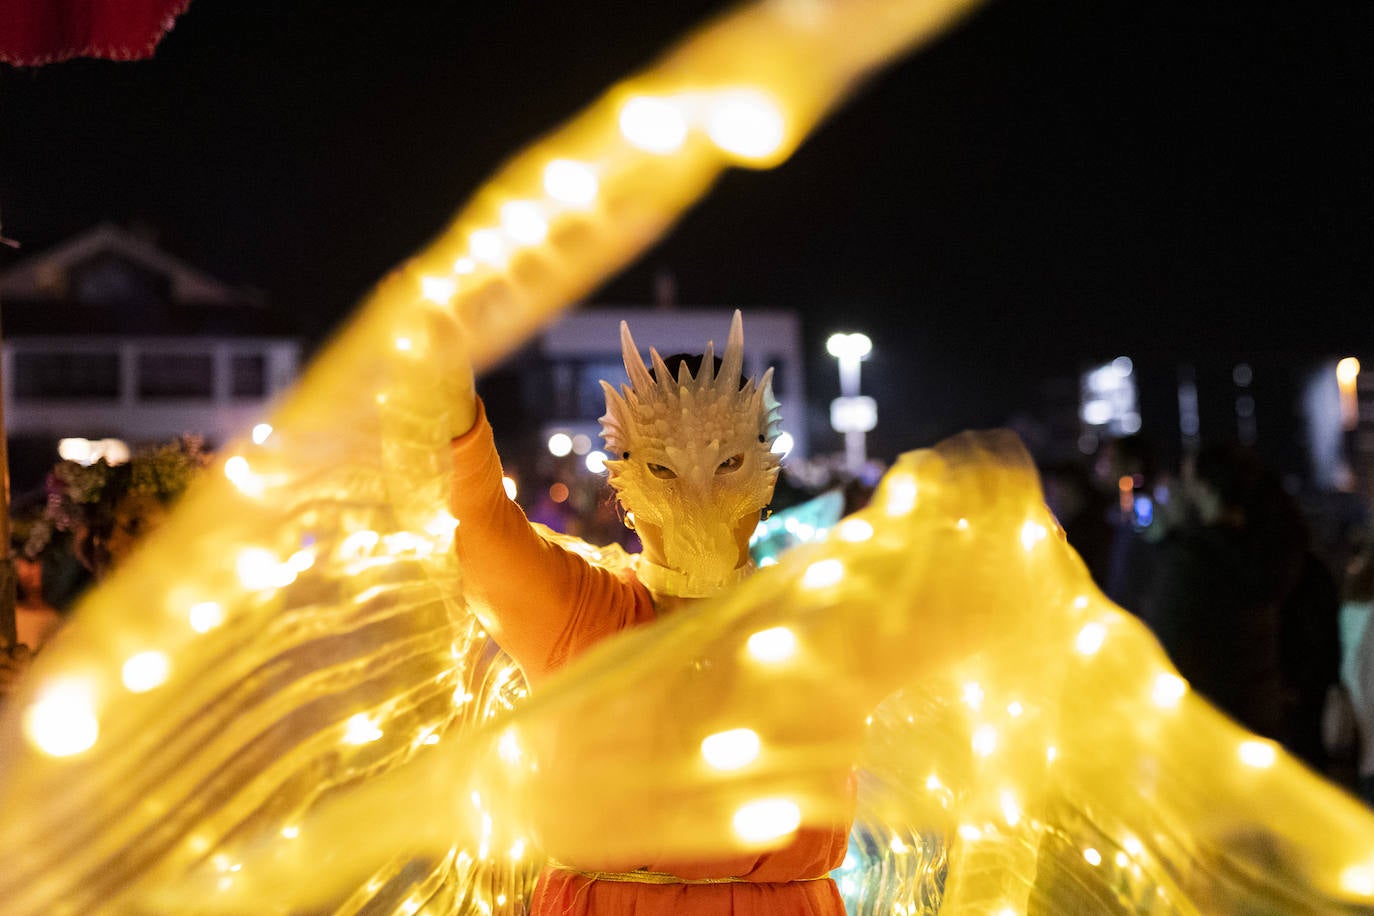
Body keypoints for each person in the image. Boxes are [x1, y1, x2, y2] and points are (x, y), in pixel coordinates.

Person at [447, 311, 850, 915]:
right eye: (664, 468)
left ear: (767, 480)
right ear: (624, 484)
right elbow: (476, 514)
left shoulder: (819, 619)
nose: (699, 494)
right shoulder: (577, 613)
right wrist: (440, 377)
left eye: (728, 465)